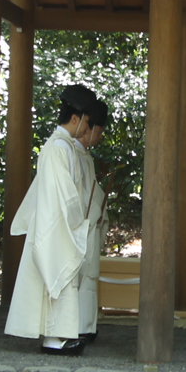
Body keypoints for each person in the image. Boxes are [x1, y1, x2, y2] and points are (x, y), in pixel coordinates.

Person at [5, 84, 97, 355]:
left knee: (61, 279)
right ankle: (54, 337)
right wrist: (79, 217)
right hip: (55, 225)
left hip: (57, 222)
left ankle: (59, 336)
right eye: (86, 122)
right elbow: (64, 196)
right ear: (75, 118)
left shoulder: (63, 147)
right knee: (58, 277)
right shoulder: (58, 148)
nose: (87, 128)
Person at [75, 99, 111, 342]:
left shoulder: (85, 156)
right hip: (79, 224)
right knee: (79, 277)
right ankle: (77, 327)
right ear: (87, 129)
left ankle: (87, 326)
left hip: (90, 223)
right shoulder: (66, 152)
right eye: (97, 131)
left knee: (89, 278)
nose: (99, 137)